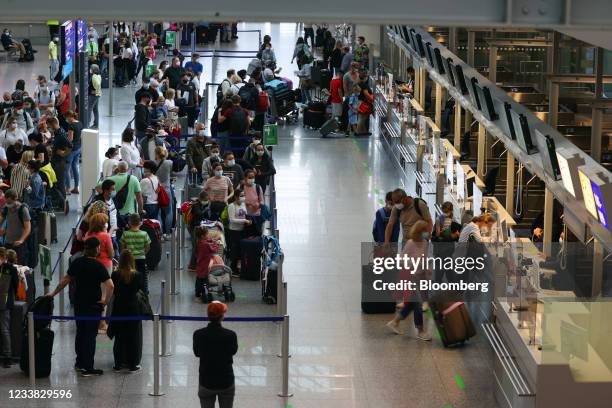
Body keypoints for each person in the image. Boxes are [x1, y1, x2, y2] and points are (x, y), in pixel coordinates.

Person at [46, 237, 114, 376]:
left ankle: (79, 362)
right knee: (90, 336)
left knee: (81, 332)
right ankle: (88, 367)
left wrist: (53, 293)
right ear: (96, 249)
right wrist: (105, 301)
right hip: (93, 305)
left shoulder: (77, 263)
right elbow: (110, 285)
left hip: (79, 304)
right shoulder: (98, 266)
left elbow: (65, 280)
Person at [385, 221, 432, 340]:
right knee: (417, 304)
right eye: (424, 231)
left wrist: (428, 273)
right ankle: (420, 330)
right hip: (409, 276)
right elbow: (401, 260)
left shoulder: (425, 243)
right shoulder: (410, 243)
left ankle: (394, 322)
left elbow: (426, 259)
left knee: (411, 304)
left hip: (419, 277)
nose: (427, 233)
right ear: (418, 232)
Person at [193, 301, 238, 408]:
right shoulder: (230, 335)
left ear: (208, 315)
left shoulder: (198, 334)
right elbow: (233, 351)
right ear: (222, 316)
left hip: (206, 380)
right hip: (226, 380)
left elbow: (197, 353)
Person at [110, 250, 144, 372]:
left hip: (119, 308)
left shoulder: (115, 275)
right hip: (133, 309)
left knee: (119, 337)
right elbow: (141, 289)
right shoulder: (137, 275)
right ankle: (133, 364)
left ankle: (117, 364)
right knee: (133, 337)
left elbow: (113, 290)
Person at [103, 162, 144, 229]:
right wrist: (140, 210)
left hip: (114, 213)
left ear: (118, 168)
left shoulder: (110, 179)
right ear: (127, 169)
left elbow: (98, 187)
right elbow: (139, 197)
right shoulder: (134, 179)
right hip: (130, 213)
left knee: (116, 233)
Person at [120, 213, 151, 294]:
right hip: (141, 258)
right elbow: (148, 247)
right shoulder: (144, 234)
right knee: (142, 276)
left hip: (129, 260)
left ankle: (131, 290)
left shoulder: (125, 234)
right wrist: (143, 253)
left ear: (129, 222)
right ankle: (144, 291)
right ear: (140, 222)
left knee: (129, 275)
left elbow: (123, 248)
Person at [0, 189, 31, 265]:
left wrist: (21, 240)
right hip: (7, 242)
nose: (7, 204)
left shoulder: (23, 210)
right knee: (6, 266)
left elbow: (28, 228)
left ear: (15, 199)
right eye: (6, 202)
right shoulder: (6, 208)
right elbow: (0, 219)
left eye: (9, 202)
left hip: (19, 245)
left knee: (19, 266)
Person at [0, 247, 18, 368]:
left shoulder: (9, 269)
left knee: (4, 329)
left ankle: (7, 356)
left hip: (4, 303)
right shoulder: (11, 268)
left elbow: (15, 285)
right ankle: (7, 356)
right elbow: (16, 286)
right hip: (6, 301)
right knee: (4, 329)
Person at [227, 191, 251, 275]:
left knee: (240, 250)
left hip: (242, 230)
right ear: (236, 197)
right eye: (241, 196)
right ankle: (233, 268)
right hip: (234, 231)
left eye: (244, 195)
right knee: (235, 250)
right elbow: (232, 219)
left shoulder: (243, 204)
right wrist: (244, 220)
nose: (243, 197)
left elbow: (245, 214)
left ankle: (237, 267)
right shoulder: (231, 206)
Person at [194, 226, 219, 301]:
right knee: (205, 281)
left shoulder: (199, 242)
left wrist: (210, 240)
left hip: (200, 264)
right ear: (203, 236)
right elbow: (214, 250)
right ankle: (206, 294)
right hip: (205, 265)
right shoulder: (206, 245)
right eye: (207, 234)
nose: (208, 235)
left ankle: (197, 295)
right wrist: (215, 243)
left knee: (199, 280)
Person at [154, 146, 174, 239]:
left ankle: (160, 234)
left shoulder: (153, 163)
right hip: (166, 190)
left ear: (156, 154)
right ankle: (168, 233)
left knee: (158, 213)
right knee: (168, 212)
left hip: (156, 190)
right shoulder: (169, 162)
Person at [64, 111, 82, 194]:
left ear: (70, 116)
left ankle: (67, 188)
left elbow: (70, 139)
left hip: (71, 149)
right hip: (78, 148)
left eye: (66, 117)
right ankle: (76, 187)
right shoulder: (79, 123)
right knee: (75, 167)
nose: (66, 119)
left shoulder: (71, 125)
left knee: (66, 169)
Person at [243, 169, 264, 234]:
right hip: (244, 216)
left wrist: (259, 204)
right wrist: (247, 203)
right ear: (245, 178)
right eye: (249, 177)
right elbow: (237, 201)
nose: (252, 179)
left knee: (256, 234)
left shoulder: (258, 187)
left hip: (256, 215)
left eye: (253, 177)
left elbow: (262, 201)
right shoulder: (241, 187)